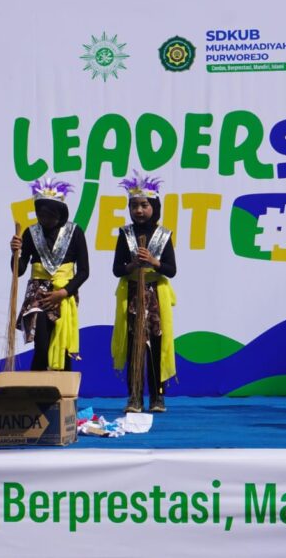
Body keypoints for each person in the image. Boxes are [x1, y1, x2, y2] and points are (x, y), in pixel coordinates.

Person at [110, 173, 178, 413]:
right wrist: (132, 266)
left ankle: (158, 397)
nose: (138, 210)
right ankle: (134, 397)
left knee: (156, 347)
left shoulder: (164, 235)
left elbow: (171, 270)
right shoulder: (125, 234)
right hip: (132, 296)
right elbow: (117, 269)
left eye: (144, 205)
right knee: (134, 348)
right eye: (134, 206)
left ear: (154, 207)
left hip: (155, 297)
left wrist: (153, 262)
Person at [9, 178, 89, 371]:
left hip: (64, 293)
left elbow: (84, 271)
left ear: (60, 214)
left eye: (50, 215)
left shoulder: (75, 232)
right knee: (42, 346)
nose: (44, 218)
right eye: (41, 214)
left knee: (62, 344)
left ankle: (63, 388)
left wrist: (63, 292)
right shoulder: (31, 233)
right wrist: (15, 253)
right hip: (38, 294)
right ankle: (38, 387)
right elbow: (19, 271)